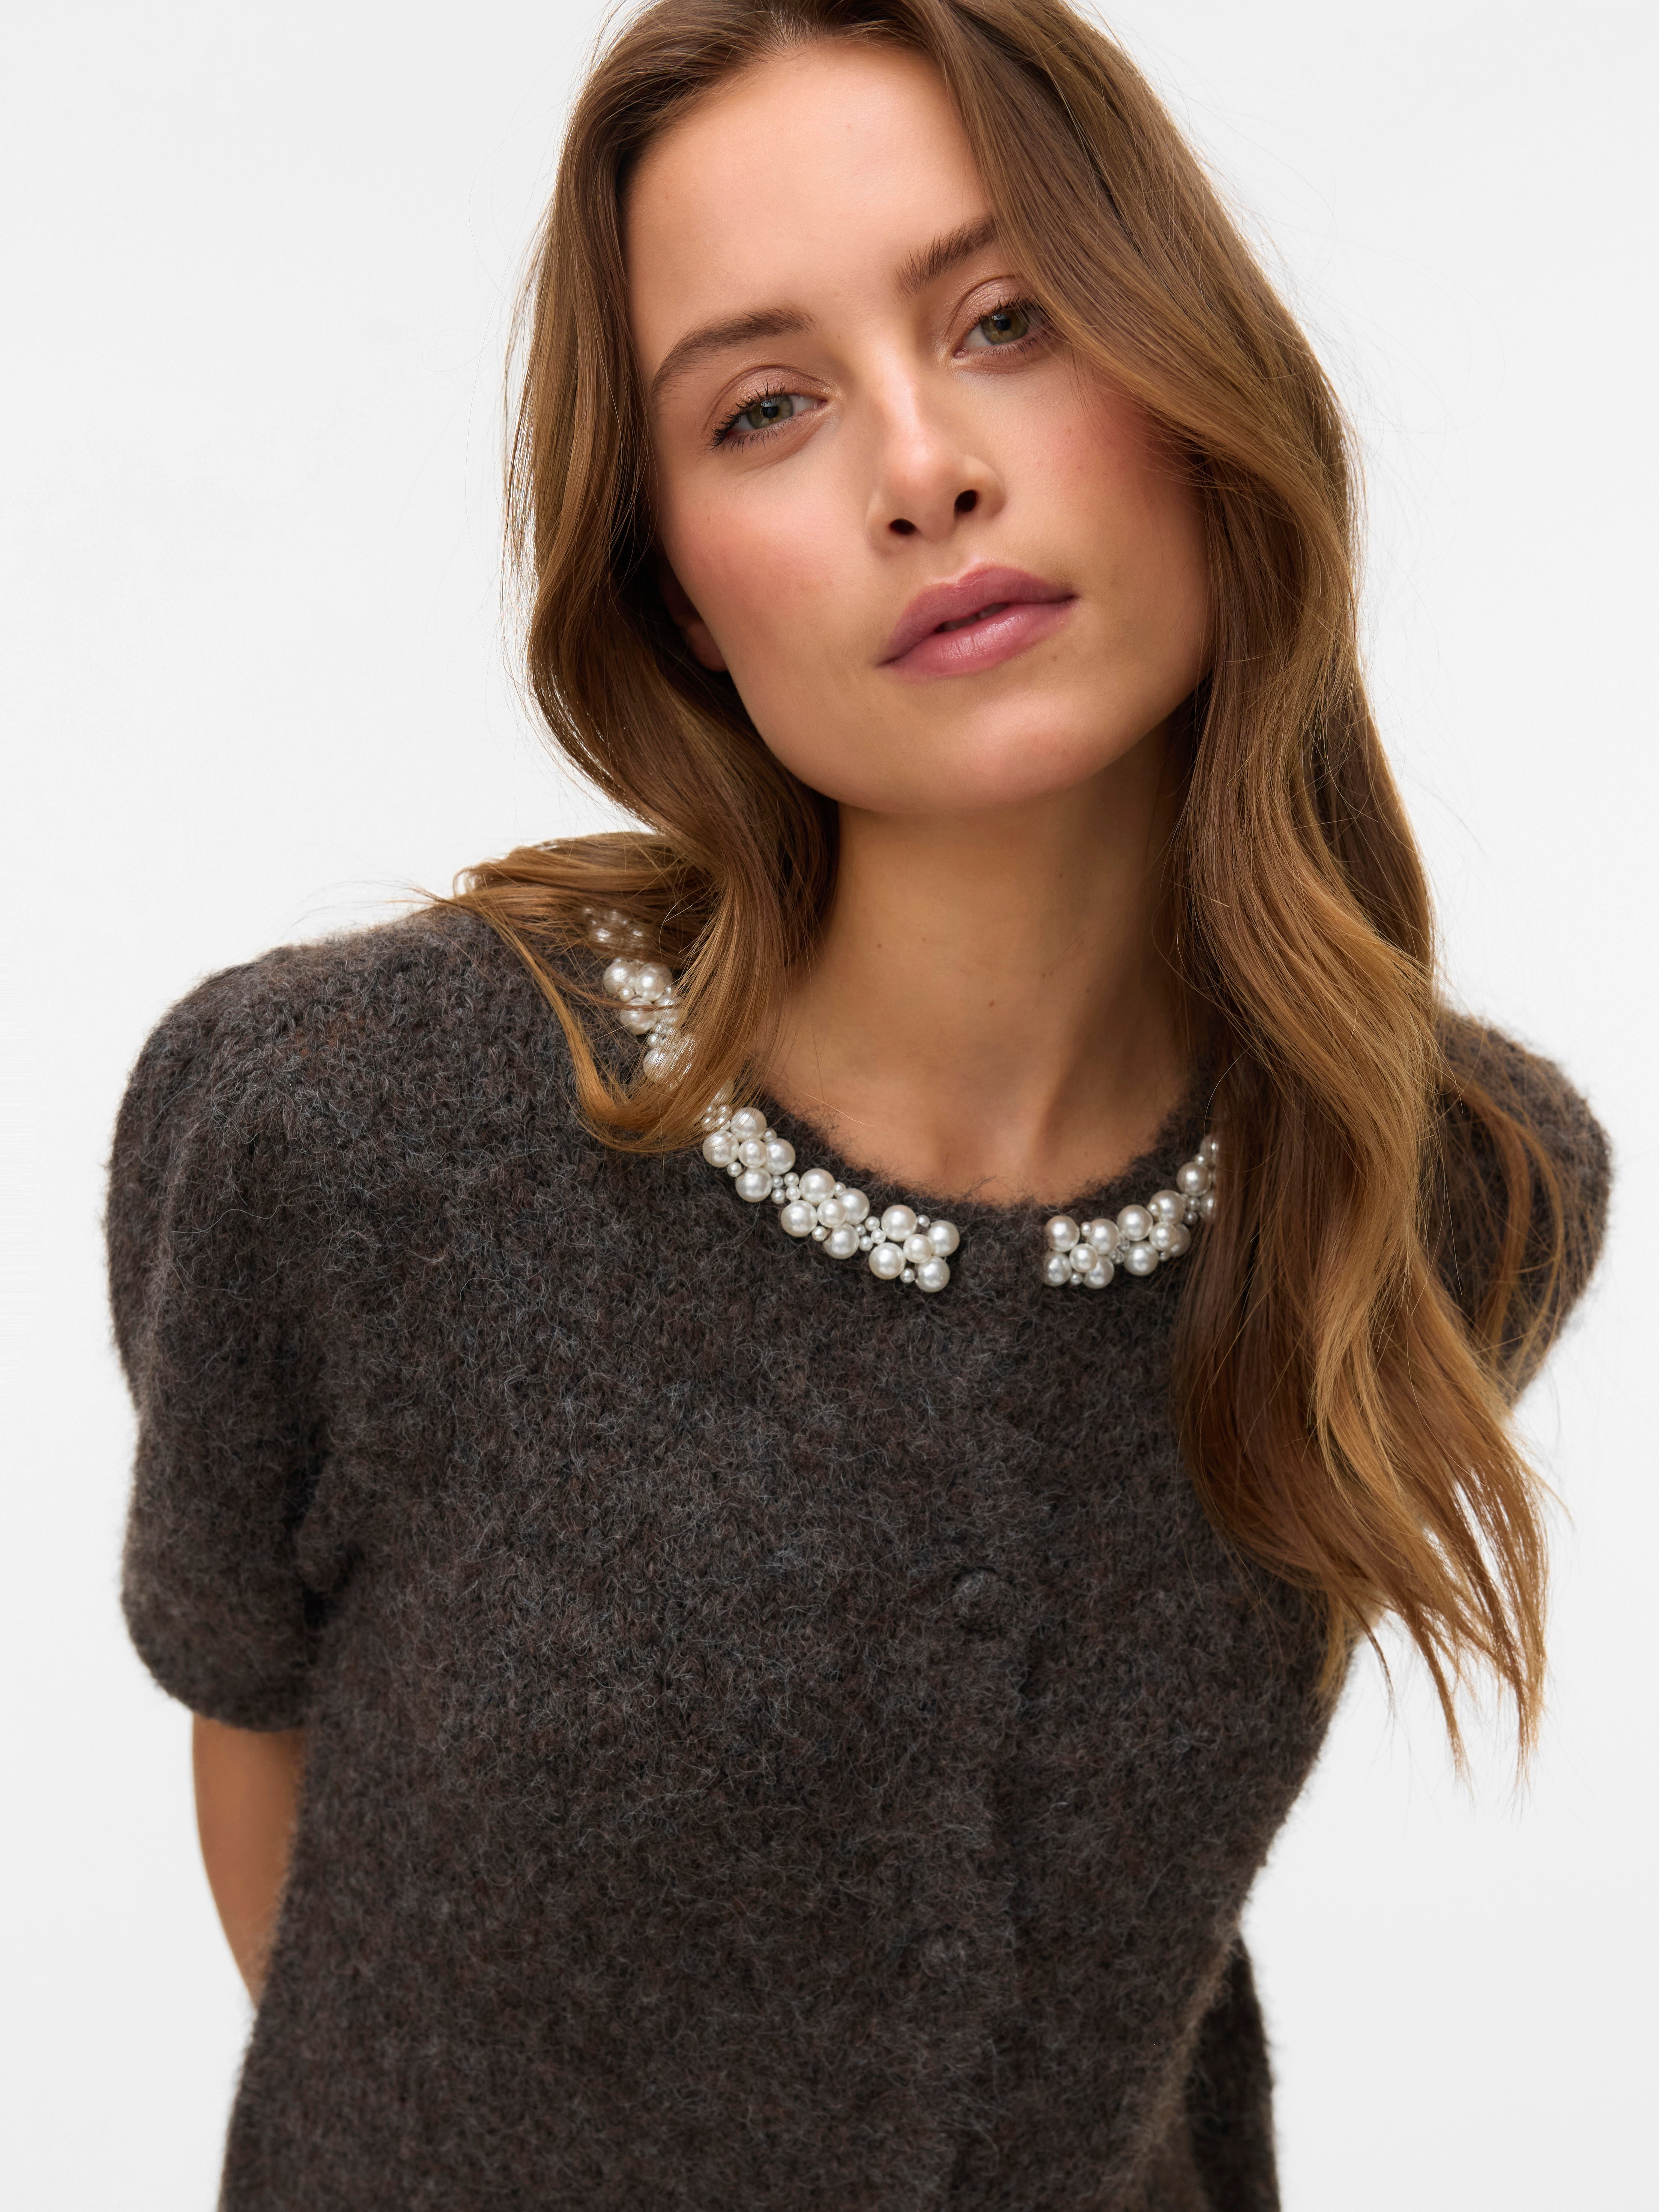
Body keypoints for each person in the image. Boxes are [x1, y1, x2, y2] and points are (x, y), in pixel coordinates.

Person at [107, 2, 1609, 2205]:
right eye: (765, 409)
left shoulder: (1449, 1181)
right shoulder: (341, 1129)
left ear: (1197, 378)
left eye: (1007, 319)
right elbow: (269, 1797)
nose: (923, 467)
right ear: (677, 594)